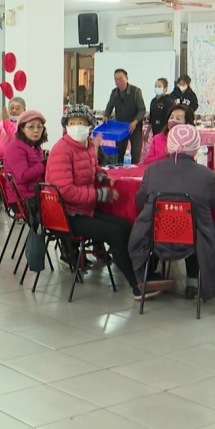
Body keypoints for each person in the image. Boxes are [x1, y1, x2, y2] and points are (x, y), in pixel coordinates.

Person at [45, 104, 149, 299]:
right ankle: (137, 284)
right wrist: (100, 194)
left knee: (126, 225)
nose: (77, 126)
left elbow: (93, 169)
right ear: (66, 126)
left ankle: (139, 272)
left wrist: (102, 176)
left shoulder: (88, 146)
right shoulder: (61, 150)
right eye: (72, 123)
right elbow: (65, 191)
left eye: (81, 122)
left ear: (90, 126)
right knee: (115, 232)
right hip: (66, 214)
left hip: (84, 209)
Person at [129, 125, 215, 301]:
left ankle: (148, 276)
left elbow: (140, 201)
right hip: (194, 240)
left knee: (148, 222)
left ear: (169, 145)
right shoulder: (208, 175)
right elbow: (213, 205)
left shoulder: (152, 170)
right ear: (196, 148)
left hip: (154, 237)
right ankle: (193, 283)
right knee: (200, 223)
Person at [2, 110, 47, 208]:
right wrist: (44, 164)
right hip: (22, 199)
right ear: (22, 128)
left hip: (35, 193)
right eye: (31, 127)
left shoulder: (34, 146)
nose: (36, 130)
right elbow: (23, 176)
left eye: (39, 127)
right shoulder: (16, 148)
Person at [103, 68, 146, 164]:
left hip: (134, 126)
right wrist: (106, 115)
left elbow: (142, 109)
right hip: (120, 127)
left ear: (127, 78)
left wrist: (135, 121)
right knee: (119, 151)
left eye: (121, 79)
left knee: (135, 153)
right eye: (116, 79)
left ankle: (134, 170)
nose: (118, 81)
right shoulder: (114, 92)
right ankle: (119, 169)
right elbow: (110, 106)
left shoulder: (135, 91)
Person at [0, 97, 27, 162]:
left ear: (24, 110)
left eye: (17, 108)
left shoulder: (25, 125)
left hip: (12, 160)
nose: (14, 110)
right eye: (12, 108)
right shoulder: (2, 123)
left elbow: (15, 137)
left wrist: (6, 121)